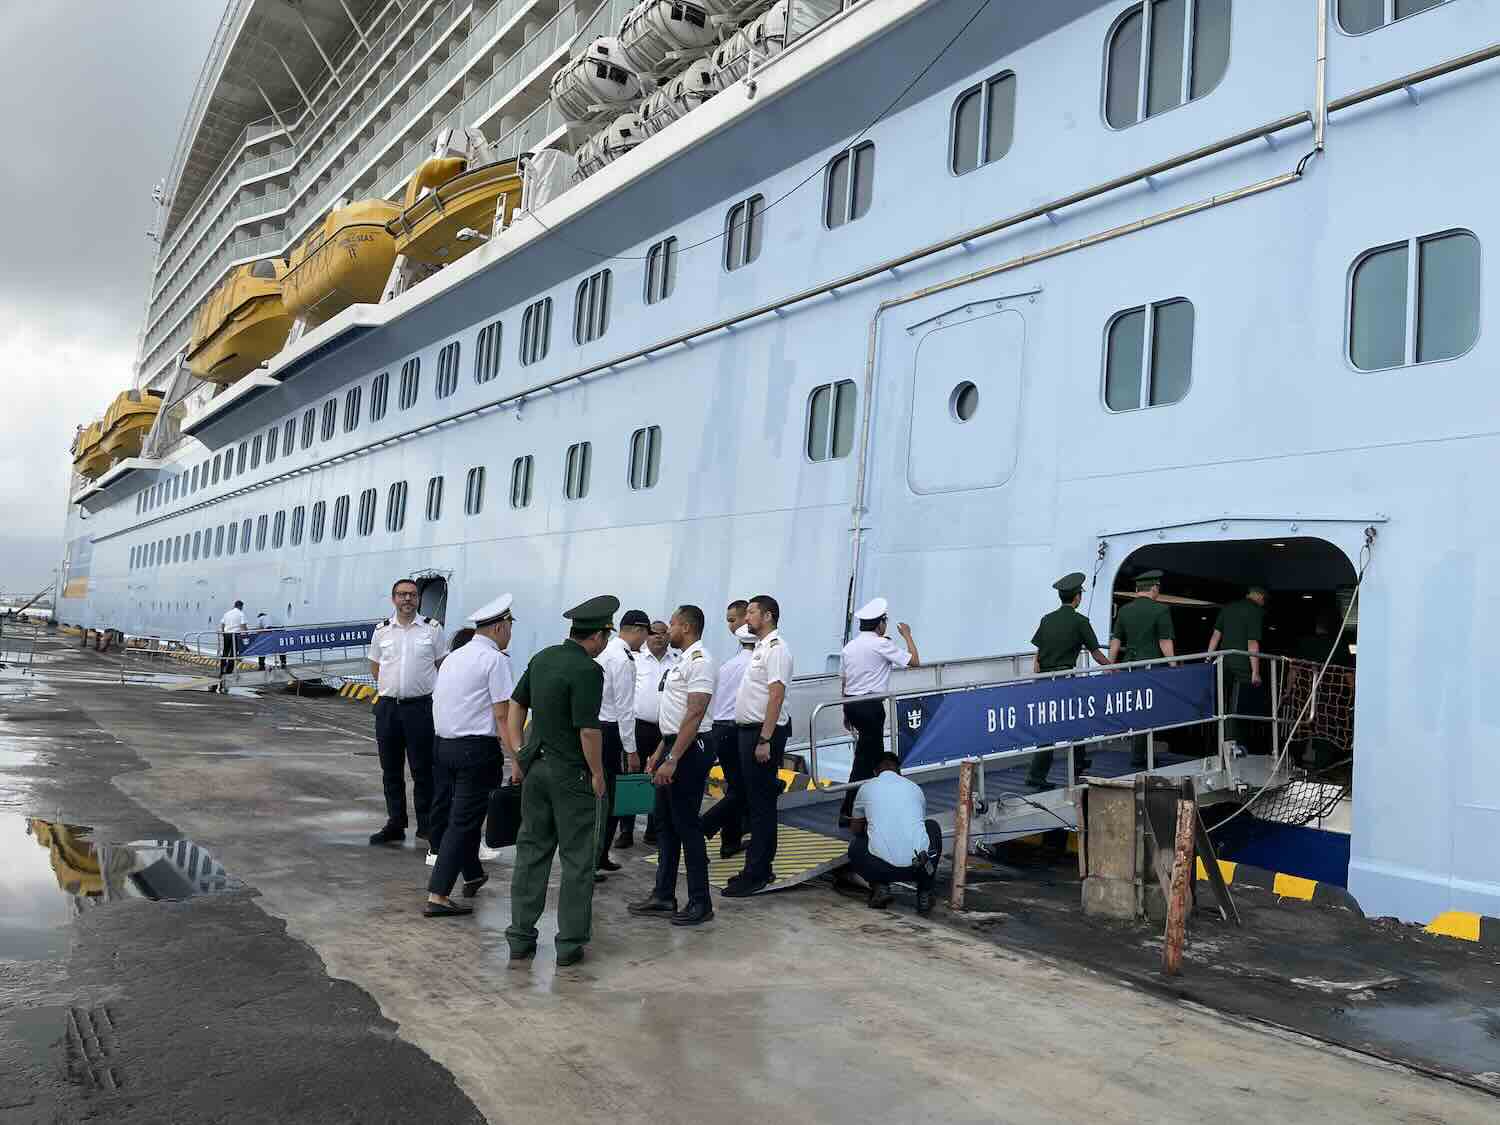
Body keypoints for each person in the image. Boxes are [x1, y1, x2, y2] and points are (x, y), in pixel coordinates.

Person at [505, 595, 616, 967]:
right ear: (599, 635)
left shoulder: (543, 658)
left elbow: (516, 705)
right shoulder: (588, 670)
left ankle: (520, 938)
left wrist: (520, 751)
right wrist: (598, 774)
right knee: (578, 860)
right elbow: (588, 731)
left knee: (532, 854)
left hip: (535, 770)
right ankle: (569, 945)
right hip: (571, 776)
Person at [423, 595, 516, 917]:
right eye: (510, 627)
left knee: (458, 817)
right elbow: (503, 716)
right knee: (463, 824)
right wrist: (516, 758)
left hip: (443, 746)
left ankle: (474, 873)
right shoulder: (496, 660)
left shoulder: (454, 657)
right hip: (475, 751)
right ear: (500, 627)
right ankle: (438, 896)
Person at [631, 604, 718, 925]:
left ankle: (701, 902)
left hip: (690, 751)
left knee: (687, 826)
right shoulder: (683, 662)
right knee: (665, 825)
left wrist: (674, 758)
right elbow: (674, 715)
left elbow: (695, 714)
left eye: (672, 624)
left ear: (686, 627)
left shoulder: (701, 661)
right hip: (671, 745)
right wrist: (658, 752)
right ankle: (663, 895)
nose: (668, 630)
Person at [367, 579, 449, 846]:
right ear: (393, 599)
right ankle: (396, 823)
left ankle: (426, 825)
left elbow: (441, 665)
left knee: (423, 770)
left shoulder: (432, 630)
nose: (407, 599)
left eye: (412, 595)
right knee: (390, 769)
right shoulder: (381, 631)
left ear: (418, 600)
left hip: (421, 708)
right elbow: (376, 667)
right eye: (402, 595)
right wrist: (393, 690)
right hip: (389, 708)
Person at [724, 594, 793, 898]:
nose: (746, 617)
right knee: (754, 802)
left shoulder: (777, 649)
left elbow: (776, 695)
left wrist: (765, 738)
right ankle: (756, 866)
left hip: (761, 734)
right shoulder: (761, 648)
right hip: (748, 731)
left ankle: (759, 872)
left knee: (762, 804)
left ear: (767, 616)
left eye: (751, 612)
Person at [1025, 573, 1111, 789]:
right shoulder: (1080, 622)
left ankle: (1055, 769)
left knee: (1050, 726)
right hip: (1064, 680)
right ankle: (1065, 768)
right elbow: (1097, 655)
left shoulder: (1047, 619)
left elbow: (1038, 654)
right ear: (1077, 597)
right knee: (1076, 720)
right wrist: (1114, 670)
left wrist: (1038, 677)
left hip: (1044, 679)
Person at [839, 597, 920, 825]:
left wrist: (846, 711)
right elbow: (914, 661)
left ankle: (861, 808)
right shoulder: (881, 644)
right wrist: (907, 635)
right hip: (871, 707)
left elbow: (845, 682)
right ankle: (850, 812)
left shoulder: (849, 647)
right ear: (880, 624)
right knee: (868, 761)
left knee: (867, 757)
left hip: (853, 705)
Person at [847, 753, 943, 914]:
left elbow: (855, 829)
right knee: (931, 826)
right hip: (917, 867)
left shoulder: (867, 788)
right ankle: (924, 893)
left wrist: (868, 824)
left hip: (880, 868)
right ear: (899, 770)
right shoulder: (915, 789)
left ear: (875, 771)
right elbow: (917, 824)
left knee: (856, 846)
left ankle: (880, 887)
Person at [597, 608, 648, 876]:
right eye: (645, 635)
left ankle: (599, 853)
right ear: (637, 631)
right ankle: (598, 855)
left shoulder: (605, 651)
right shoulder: (623, 658)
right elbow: (624, 708)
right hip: (613, 733)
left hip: (598, 730)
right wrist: (631, 750)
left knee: (601, 796)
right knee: (612, 799)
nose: (645, 641)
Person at [1108, 569, 1176, 768]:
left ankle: (1139, 754)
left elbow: (1116, 640)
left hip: (1130, 666)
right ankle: (1140, 756)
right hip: (1152, 668)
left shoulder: (1124, 610)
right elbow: (1165, 641)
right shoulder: (1161, 610)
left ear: (1138, 589)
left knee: (1137, 709)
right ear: (1154, 588)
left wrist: (1110, 665)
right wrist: (1173, 666)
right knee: (1150, 712)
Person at [701, 620, 756, 858]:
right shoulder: (757, 666)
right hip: (737, 731)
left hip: (718, 729)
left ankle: (730, 841)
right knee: (742, 791)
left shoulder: (727, 665)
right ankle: (703, 826)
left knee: (736, 787)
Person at [621, 619, 675, 849]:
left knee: (659, 779)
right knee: (632, 776)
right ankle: (626, 830)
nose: (658, 637)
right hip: (639, 726)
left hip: (664, 729)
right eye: (653, 633)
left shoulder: (677, 662)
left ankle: (654, 830)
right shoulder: (636, 660)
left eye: (663, 633)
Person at [1207, 585, 1267, 752]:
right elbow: (1252, 643)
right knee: (1240, 707)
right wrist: (1255, 672)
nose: (1263, 603)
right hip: (1242, 664)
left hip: (1223, 662)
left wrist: (1207, 658)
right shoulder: (1255, 611)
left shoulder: (1229, 607)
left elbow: (1216, 635)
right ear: (1259, 596)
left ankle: (1216, 744)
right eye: (1263, 600)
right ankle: (1235, 744)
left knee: (1221, 703)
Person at [218, 599, 247, 682]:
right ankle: (228, 671)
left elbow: (222, 624)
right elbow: (243, 626)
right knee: (233, 653)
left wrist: (224, 632)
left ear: (234, 605)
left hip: (227, 634)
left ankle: (222, 670)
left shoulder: (227, 613)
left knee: (225, 652)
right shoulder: (241, 614)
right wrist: (246, 634)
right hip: (235, 635)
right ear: (241, 606)